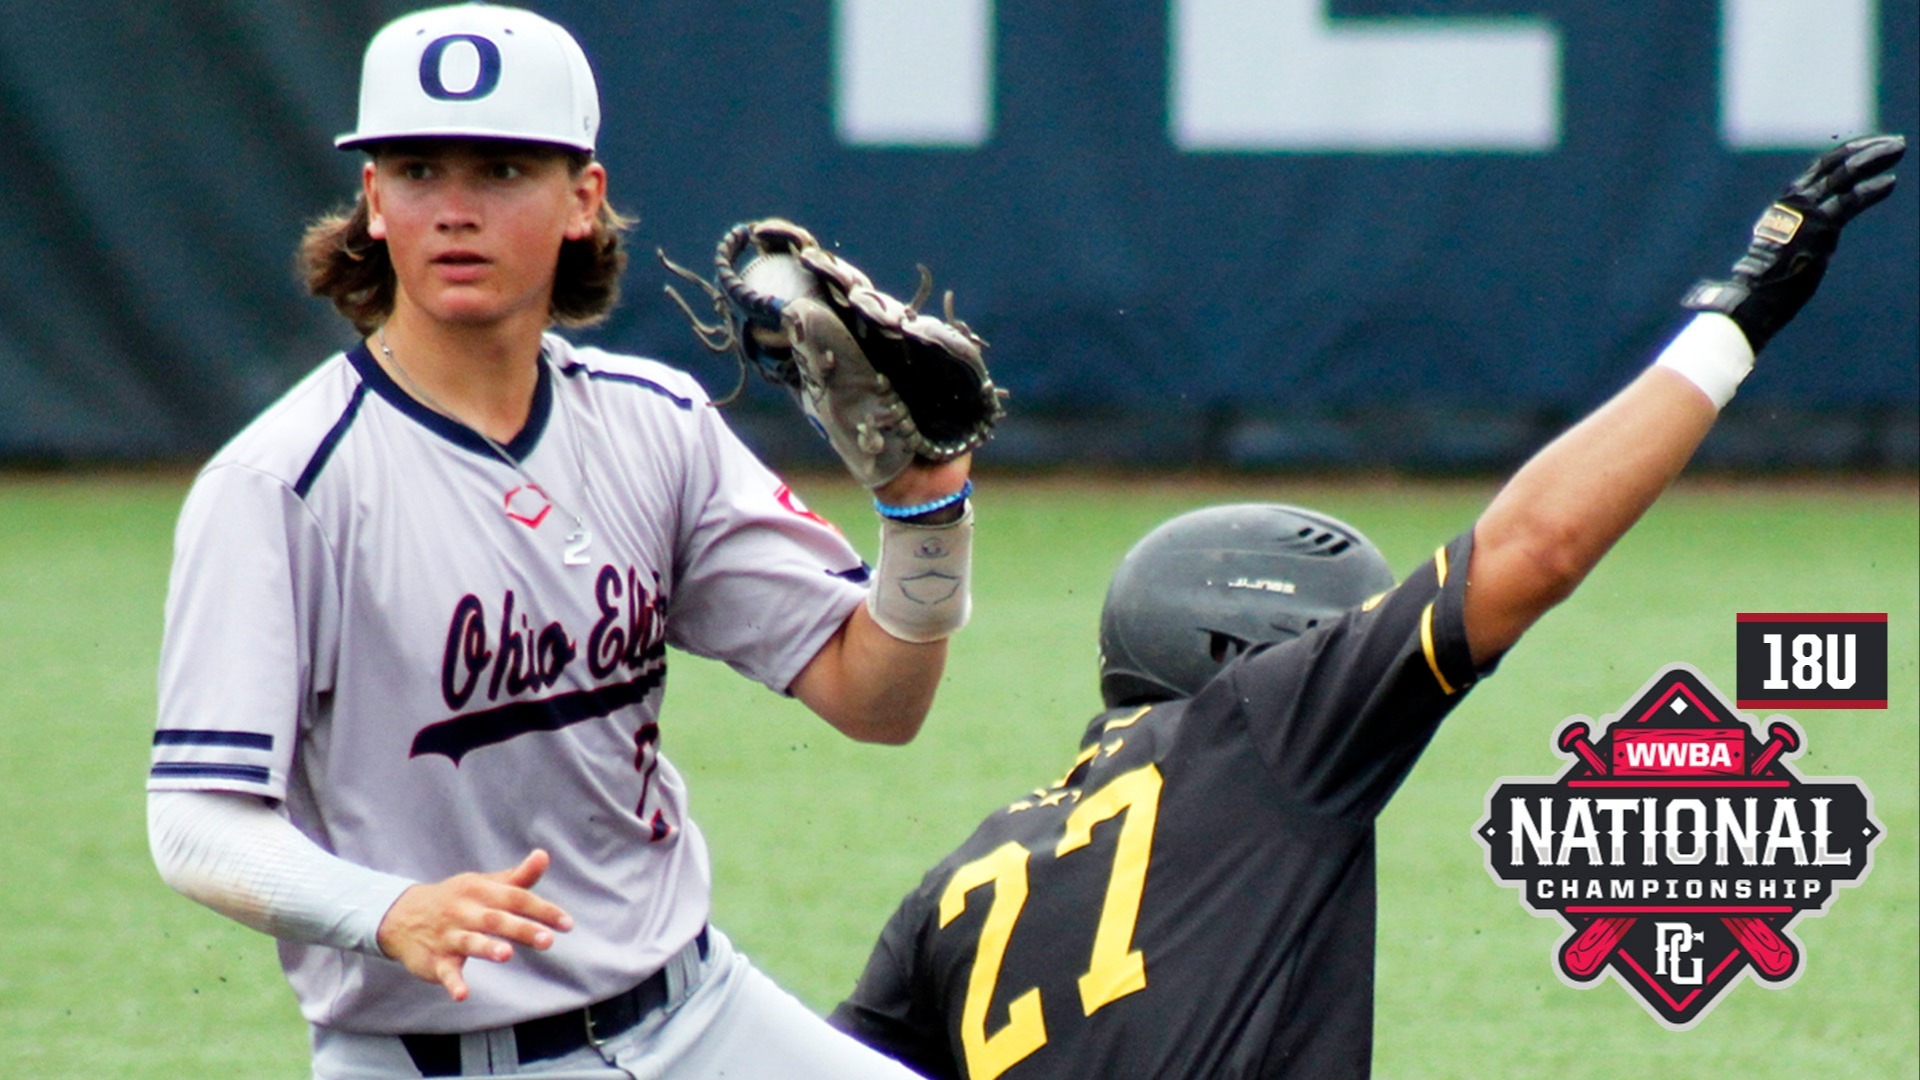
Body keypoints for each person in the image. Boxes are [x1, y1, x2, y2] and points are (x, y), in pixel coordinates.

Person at [827, 133, 1906, 1079]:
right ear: (1256, 649)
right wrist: (1742, 315)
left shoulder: (960, 881)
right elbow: (1538, 547)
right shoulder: (1263, 729)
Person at [146, 4, 968, 1078]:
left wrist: (925, 512)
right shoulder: (279, 486)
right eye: (416, 169)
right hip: (426, 1057)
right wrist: (386, 910)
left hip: (701, 1016)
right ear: (373, 203)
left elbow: (876, 701)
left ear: (582, 200)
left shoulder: (652, 424)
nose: (453, 209)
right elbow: (197, 824)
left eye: (499, 170)